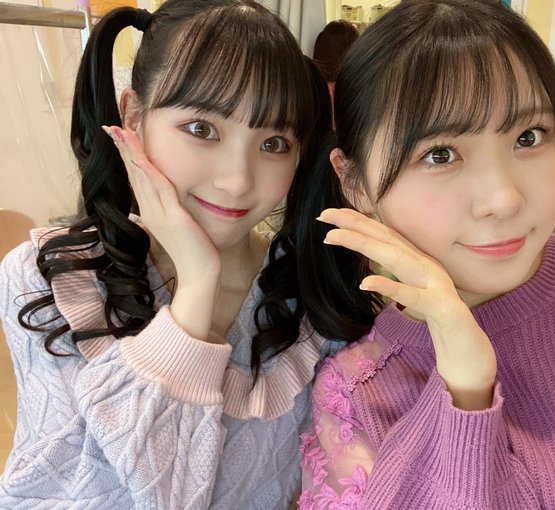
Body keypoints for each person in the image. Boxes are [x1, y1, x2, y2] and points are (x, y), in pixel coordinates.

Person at [295, 0, 555, 508]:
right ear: (355, 183)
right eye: (439, 154)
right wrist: (464, 391)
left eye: (528, 136)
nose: (504, 199)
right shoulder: (354, 398)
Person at [0, 1, 341, 508]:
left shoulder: (307, 302)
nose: (237, 181)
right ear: (134, 116)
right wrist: (196, 288)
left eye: (273, 143)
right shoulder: (49, 278)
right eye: (201, 129)